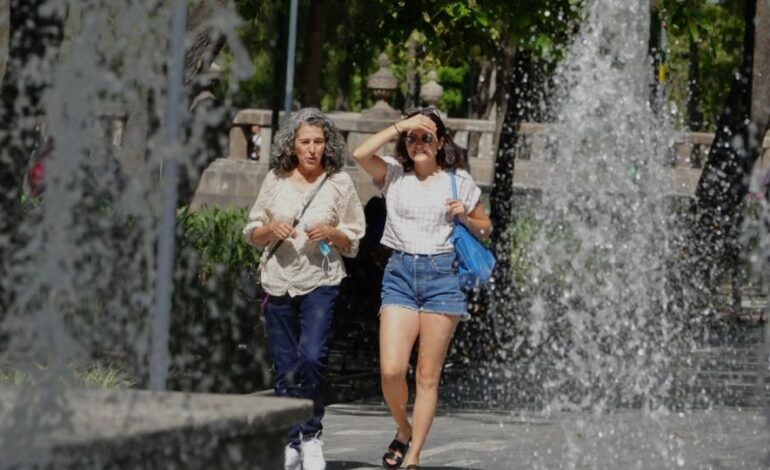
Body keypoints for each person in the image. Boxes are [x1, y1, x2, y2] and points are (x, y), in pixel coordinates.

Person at [352, 107, 492, 469]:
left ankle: (413, 458)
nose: (418, 143)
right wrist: (401, 125)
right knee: (392, 371)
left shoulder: (457, 179)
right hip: (400, 273)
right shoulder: (394, 174)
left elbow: (485, 225)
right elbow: (359, 154)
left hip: (442, 276)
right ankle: (404, 428)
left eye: (426, 136)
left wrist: (466, 213)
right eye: (412, 138)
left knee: (428, 376)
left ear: (440, 142)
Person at [243, 108, 365, 470]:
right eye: (305, 142)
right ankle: (289, 440)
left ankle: (311, 435)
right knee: (286, 366)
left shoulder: (339, 181)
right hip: (279, 281)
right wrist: (271, 229)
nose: (312, 149)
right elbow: (252, 230)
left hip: (321, 281)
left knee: (312, 357)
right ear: (292, 146)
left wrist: (333, 233)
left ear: (327, 144)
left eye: (318, 141)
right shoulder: (276, 179)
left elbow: (355, 236)